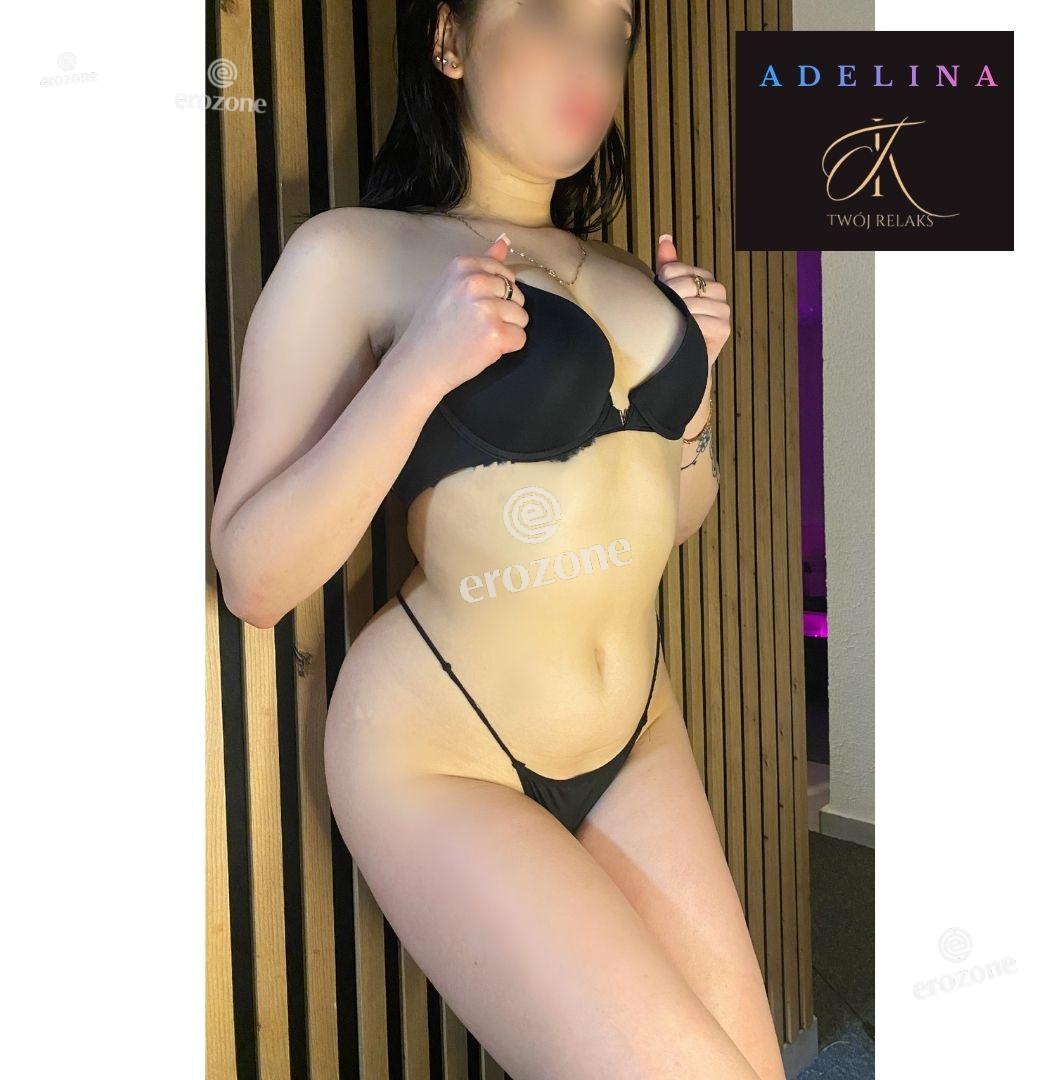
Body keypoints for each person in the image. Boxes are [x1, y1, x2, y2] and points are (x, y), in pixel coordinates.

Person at [210, 2, 784, 1077]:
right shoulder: (355, 253)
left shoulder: (625, 270)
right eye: (551, 16)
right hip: (442, 748)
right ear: (449, 41)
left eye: (612, 32)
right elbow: (252, 576)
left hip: (637, 731)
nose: (591, 58)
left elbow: (680, 517)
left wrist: (696, 387)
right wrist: (419, 368)